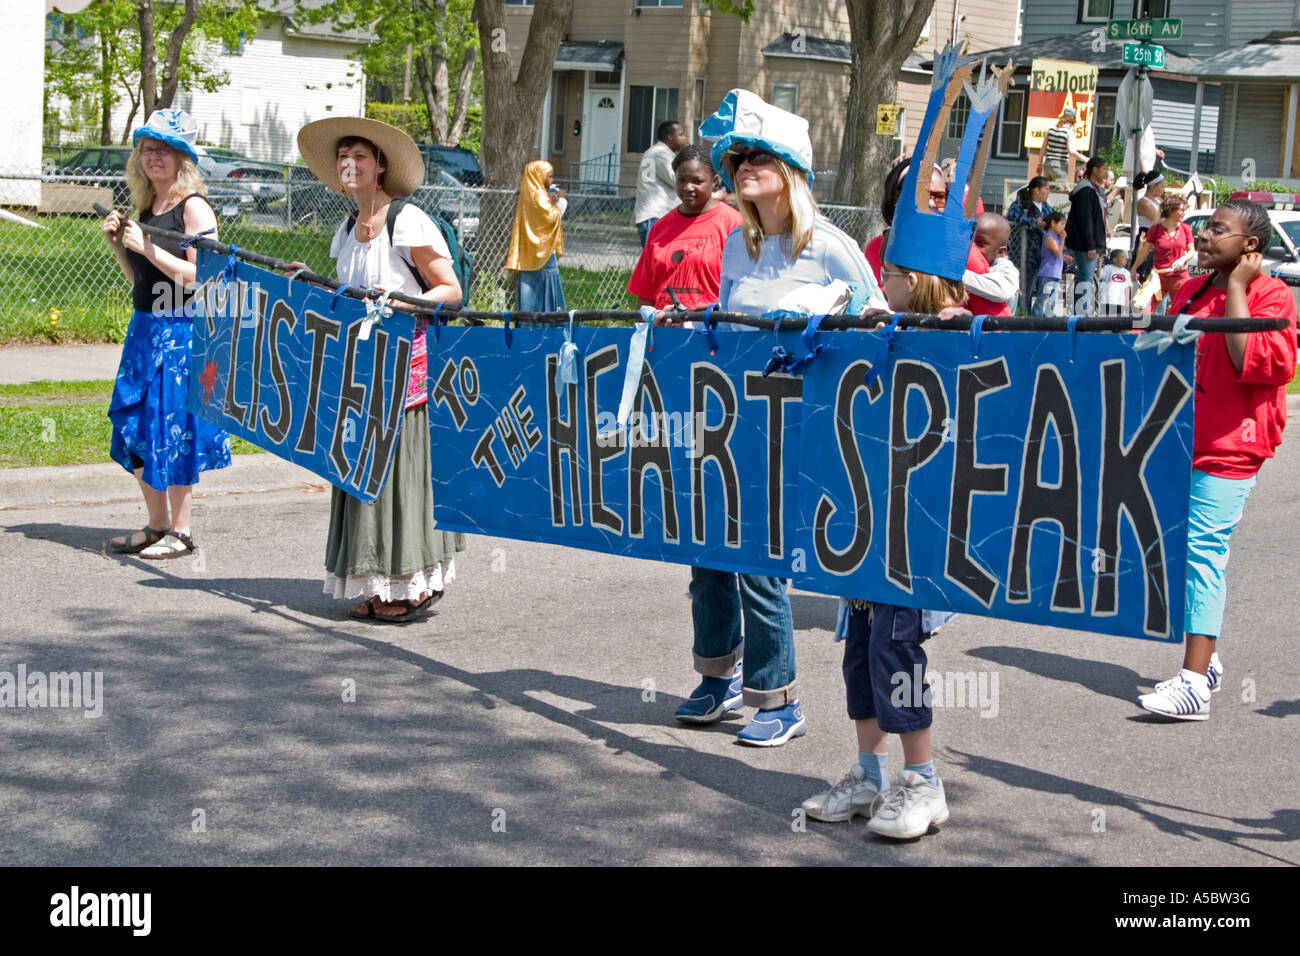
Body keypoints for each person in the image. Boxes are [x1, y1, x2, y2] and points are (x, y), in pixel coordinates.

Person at [678, 89, 887, 746]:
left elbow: (877, 320)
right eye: (736, 157)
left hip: (799, 429)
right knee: (707, 554)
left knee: (760, 561)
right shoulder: (738, 245)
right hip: (732, 421)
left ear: (791, 168)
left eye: (759, 156)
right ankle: (719, 676)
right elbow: (732, 323)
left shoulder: (829, 244)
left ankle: (779, 699)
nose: (743, 167)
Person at [801, 258, 961, 839]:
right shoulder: (876, 335)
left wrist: (959, 324)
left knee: (899, 652)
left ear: (912, 281)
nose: (880, 280)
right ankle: (869, 774)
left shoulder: (955, 335)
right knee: (862, 652)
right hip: (866, 527)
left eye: (889, 272)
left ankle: (923, 782)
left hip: (913, 539)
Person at [295, 116, 466, 622]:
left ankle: (410, 584)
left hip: (404, 370)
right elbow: (349, 296)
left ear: (380, 167)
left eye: (360, 156)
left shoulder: (406, 221)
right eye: (343, 156)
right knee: (361, 469)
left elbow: (449, 291)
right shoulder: (348, 228)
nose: (349, 163)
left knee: (399, 475)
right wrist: (312, 283)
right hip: (358, 374)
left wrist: (395, 304)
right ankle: (376, 580)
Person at [1137, 199, 1297, 720]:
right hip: (1180, 439)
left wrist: (1235, 290)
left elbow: (1251, 362)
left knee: (1203, 550)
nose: (1203, 236)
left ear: (1251, 248)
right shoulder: (1191, 288)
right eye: (1204, 228)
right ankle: (1207, 660)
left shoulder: (1270, 295)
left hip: (1232, 445)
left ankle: (1193, 684)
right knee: (1175, 553)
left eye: (1218, 231)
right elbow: (1161, 353)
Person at [101, 108, 230, 559]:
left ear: (182, 159)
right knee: (137, 423)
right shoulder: (147, 207)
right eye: (147, 149)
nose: (154, 157)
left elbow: (203, 278)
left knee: (173, 427)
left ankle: (182, 530)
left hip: (181, 331)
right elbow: (142, 280)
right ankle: (156, 525)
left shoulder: (193, 206)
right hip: (145, 328)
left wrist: (149, 247)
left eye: (165, 150)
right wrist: (122, 246)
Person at [626, 144, 742, 317]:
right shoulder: (660, 228)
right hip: (664, 332)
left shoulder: (734, 224)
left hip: (712, 334)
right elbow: (645, 296)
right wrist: (645, 329)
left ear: (715, 181)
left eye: (697, 181)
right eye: (682, 180)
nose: (688, 187)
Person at [863, 156, 946, 284]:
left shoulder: (959, 253)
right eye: (921, 194)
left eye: (940, 195)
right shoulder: (876, 248)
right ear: (896, 197)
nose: (931, 202)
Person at [507, 160, 568, 313]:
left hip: (528, 253)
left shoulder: (529, 193)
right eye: (550, 176)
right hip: (544, 253)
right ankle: (546, 324)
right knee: (545, 293)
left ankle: (528, 324)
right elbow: (552, 217)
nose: (552, 181)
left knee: (529, 292)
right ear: (539, 175)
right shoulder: (539, 196)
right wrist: (561, 201)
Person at [1134, 193, 1194, 313]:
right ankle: (1140, 332)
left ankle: (1174, 332)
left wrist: (1183, 259)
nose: (1184, 213)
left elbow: (1191, 251)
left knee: (1180, 312)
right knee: (1145, 310)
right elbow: (1144, 252)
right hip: (1158, 277)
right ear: (1171, 211)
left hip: (1179, 277)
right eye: (1181, 210)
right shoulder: (1155, 230)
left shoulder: (1185, 228)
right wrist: (1134, 268)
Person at [1065, 156, 1109, 315]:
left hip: (1093, 243)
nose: (1105, 172)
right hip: (1085, 245)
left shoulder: (1096, 190)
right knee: (1086, 278)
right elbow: (1086, 220)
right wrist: (1091, 246)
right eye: (1103, 169)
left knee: (1084, 278)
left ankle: (1080, 312)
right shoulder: (1085, 191)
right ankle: (1082, 314)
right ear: (1095, 169)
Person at [634, 120, 689, 246]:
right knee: (654, 260)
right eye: (681, 135)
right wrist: (687, 154)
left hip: (656, 214)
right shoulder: (660, 153)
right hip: (656, 215)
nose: (684, 138)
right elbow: (677, 180)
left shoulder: (658, 152)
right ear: (670, 137)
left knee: (658, 260)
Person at [1006, 176, 1051, 306]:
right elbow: (1012, 216)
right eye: (1046, 189)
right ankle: (1021, 315)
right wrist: (1033, 222)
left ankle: (1029, 315)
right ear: (1036, 190)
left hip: (1041, 255)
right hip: (1023, 254)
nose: (1048, 192)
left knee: (1034, 291)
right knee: (1022, 289)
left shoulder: (1046, 208)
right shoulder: (1021, 204)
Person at [963, 212, 1018, 315]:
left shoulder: (1005, 267)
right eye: (969, 239)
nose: (971, 246)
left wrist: (959, 276)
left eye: (980, 243)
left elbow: (1001, 291)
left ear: (1000, 252)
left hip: (995, 324)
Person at [1036, 107, 1088, 184]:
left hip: (1047, 164)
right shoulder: (1069, 132)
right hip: (1060, 165)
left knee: (1047, 189)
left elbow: (1043, 149)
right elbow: (1071, 151)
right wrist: (1084, 158)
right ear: (1073, 119)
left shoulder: (1050, 130)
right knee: (1060, 192)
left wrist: (1039, 164)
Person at [1031, 211, 1067, 317]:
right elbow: (1056, 252)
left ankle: (1048, 318)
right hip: (1048, 273)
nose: (1063, 228)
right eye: (1061, 224)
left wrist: (1063, 258)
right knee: (1043, 298)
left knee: (1052, 299)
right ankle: (1036, 319)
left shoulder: (1056, 238)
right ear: (1053, 223)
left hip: (1055, 273)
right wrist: (1063, 239)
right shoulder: (1049, 237)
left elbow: (1056, 254)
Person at [1097, 248, 1133, 316]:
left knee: (1118, 321)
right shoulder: (1108, 268)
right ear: (1114, 259)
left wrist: (1127, 301)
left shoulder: (1127, 273)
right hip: (1107, 301)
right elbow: (1099, 275)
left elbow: (1127, 288)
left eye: (1125, 257)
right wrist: (1099, 264)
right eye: (1122, 257)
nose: (1125, 259)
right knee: (1106, 319)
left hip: (1120, 302)